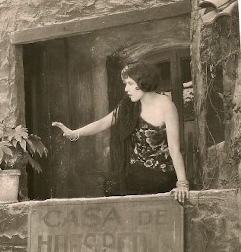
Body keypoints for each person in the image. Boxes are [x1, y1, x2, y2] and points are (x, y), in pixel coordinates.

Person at [52, 61, 190, 202]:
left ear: (143, 81)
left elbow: (174, 148)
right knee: (112, 189)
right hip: (135, 172)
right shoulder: (129, 104)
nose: (126, 89)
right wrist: (75, 133)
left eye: (130, 83)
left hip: (161, 175)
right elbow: (104, 122)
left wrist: (182, 184)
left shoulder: (166, 105)